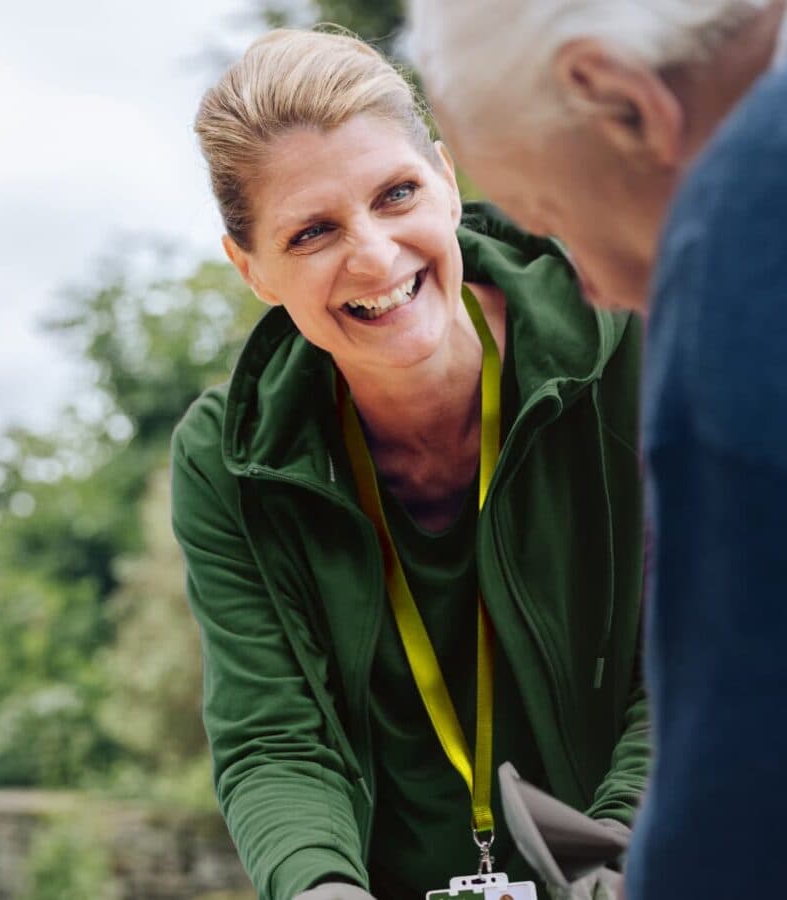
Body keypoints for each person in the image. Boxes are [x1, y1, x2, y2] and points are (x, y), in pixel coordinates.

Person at [171, 28, 647, 900]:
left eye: (396, 193)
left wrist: (611, 861)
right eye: (312, 232)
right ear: (252, 269)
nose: (375, 256)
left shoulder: (635, 350)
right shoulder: (223, 459)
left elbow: (700, 657)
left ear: (447, 179)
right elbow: (275, 739)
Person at [409, 1, 787, 897]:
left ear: (619, 101)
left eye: (554, 220)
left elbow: (735, 805)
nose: (589, 285)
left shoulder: (742, 220)